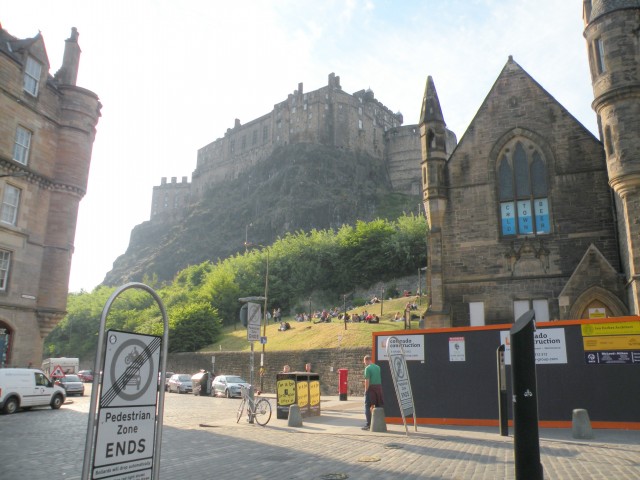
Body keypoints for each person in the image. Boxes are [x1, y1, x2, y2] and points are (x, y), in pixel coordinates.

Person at [362, 354, 383, 430]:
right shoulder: (378, 367)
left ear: (367, 360)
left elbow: (367, 381)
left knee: (367, 406)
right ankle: (377, 424)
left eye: (364, 361)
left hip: (371, 388)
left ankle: (368, 424)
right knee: (378, 405)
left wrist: (366, 391)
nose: (364, 363)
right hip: (379, 388)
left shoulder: (367, 368)